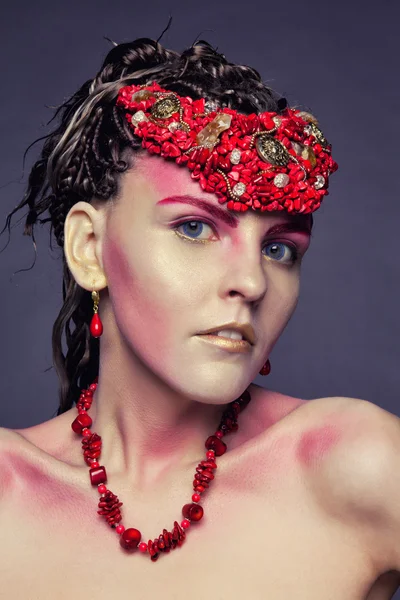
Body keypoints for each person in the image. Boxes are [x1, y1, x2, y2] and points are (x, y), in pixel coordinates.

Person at [0, 35, 399, 598]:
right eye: (194, 227)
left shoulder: (356, 465)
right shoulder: (7, 496)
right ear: (90, 248)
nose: (254, 282)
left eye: (279, 248)